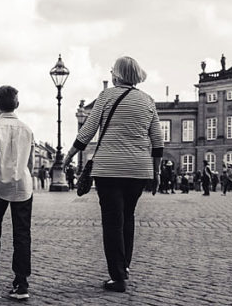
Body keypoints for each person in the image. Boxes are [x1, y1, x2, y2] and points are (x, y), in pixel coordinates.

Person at [63, 55, 164, 293]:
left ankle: (118, 276)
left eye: (112, 71)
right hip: (138, 169)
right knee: (127, 217)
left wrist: (68, 156)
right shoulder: (148, 100)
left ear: (117, 74)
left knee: (112, 221)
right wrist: (156, 172)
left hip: (109, 169)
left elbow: (88, 130)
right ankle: (124, 267)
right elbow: (157, 140)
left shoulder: (107, 96)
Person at [0, 85, 34, 301]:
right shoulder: (27, 129)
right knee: (22, 233)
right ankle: (21, 283)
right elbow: (29, 161)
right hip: (23, 184)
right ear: (17, 104)